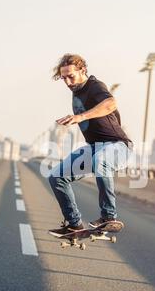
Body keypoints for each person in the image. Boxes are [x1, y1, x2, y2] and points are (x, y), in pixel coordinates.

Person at [48, 53, 133, 237]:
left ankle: (109, 217)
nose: (68, 82)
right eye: (64, 78)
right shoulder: (76, 92)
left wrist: (81, 116)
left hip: (118, 147)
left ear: (83, 70)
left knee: (101, 159)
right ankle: (74, 224)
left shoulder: (95, 85)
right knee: (56, 177)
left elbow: (111, 104)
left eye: (71, 76)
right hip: (94, 147)